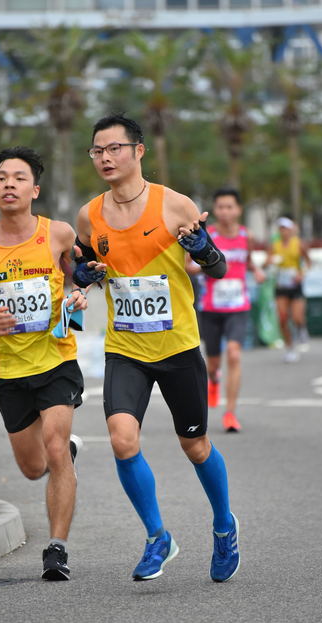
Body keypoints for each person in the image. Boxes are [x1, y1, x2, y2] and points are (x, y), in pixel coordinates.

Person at [73, 113, 240, 583]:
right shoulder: (89, 215)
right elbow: (84, 264)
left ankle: (224, 526)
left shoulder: (175, 205)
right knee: (122, 439)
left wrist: (203, 248)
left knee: (196, 446)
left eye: (114, 149)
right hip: (125, 346)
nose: (105, 158)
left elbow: (219, 268)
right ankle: (157, 537)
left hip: (178, 344)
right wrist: (81, 274)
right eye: (97, 151)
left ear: (138, 151)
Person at [0, 146, 88, 581]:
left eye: (19, 178)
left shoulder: (59, 234)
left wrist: (78, 295)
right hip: (8, 370)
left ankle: (57, 550)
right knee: (34, 468)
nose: (9, 184)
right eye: (1, 177)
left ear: (34, 189)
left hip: (56, 360)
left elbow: (82, 275)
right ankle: (64, 455)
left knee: (54, 446)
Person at [186, 188, 265, 433]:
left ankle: (230, 413)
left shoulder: (246, 235)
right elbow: (189, 265)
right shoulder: (207, 236)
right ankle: (214, 380)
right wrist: (205, 266)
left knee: (233, 353)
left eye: (230, 207)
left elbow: (248, 260)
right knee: (212, 364)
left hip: (238, 306)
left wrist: (256, 271)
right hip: (211, 306)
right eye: (220, 207)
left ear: (238, 210)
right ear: (215, 210)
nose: (225, 211)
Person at [266, 216, 311, 363]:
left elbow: (308, 262)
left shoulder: (298, 244)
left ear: (291, 230)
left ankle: (301, 328)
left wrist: (301, 274)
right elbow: (265, 264)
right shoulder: (275, 245)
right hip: (281, 285)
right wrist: (270, 262)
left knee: (297, 317)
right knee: (283, 318)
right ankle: (290, 348)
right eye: (281, 229)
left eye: (285, 228)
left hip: (295, 285)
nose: (283, 231)